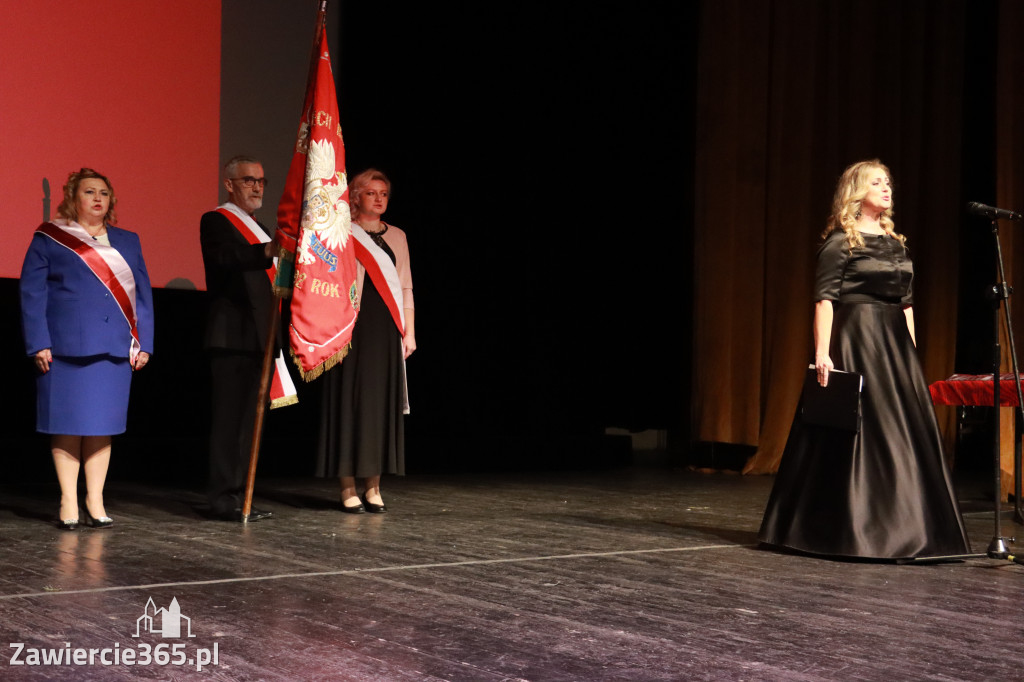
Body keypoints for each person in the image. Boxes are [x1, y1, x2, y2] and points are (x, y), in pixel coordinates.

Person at [758, 159, 971, 560]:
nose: (887, 188)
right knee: (857, 430)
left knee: (902, 433)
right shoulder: (842, 242)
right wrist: (822, 353)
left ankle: (909, 528)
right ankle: (843, 528)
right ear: (858, 191)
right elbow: (825, 299)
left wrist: (909, 355)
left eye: (889, 182)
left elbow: (906, 304)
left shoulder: (896, 243)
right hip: (856, 337)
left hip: (894, 345)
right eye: (877, 182)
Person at [19, 168, 153, 530]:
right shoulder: (50, 238)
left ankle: (95, 499)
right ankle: (67, 498)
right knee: (67, 424)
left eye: (104, 193)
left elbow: (142, 296)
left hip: (114, 348)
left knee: (101, 426)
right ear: (72, 198)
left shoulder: (128, 240)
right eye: (89, 192)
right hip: (62, 349)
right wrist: (38, 342)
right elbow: (33, 293)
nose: (97, 198)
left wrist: (145, 343)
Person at [316, 169, 415, 513]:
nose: (378, 198)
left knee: (378, 406)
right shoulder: (341, 232)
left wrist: (410, 331)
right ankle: (347, 487)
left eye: (384, 193)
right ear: (355, 196)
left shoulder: (398, 236)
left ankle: (373, 486)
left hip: (386, 329)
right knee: (350, 403)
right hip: (348, 326)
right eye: (371, 192)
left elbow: (405, 286)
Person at [200, 156, 279, 522]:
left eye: (261, 181)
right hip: (231, 336)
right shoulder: (216, 220)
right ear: (229, 184)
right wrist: (265, 251)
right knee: (229, 422)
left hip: (261, 337)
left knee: (249, 423)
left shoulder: (259, 226)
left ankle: (241, 496)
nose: (257, 186)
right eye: (249, 180)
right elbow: (224, 258)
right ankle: (221, 499)